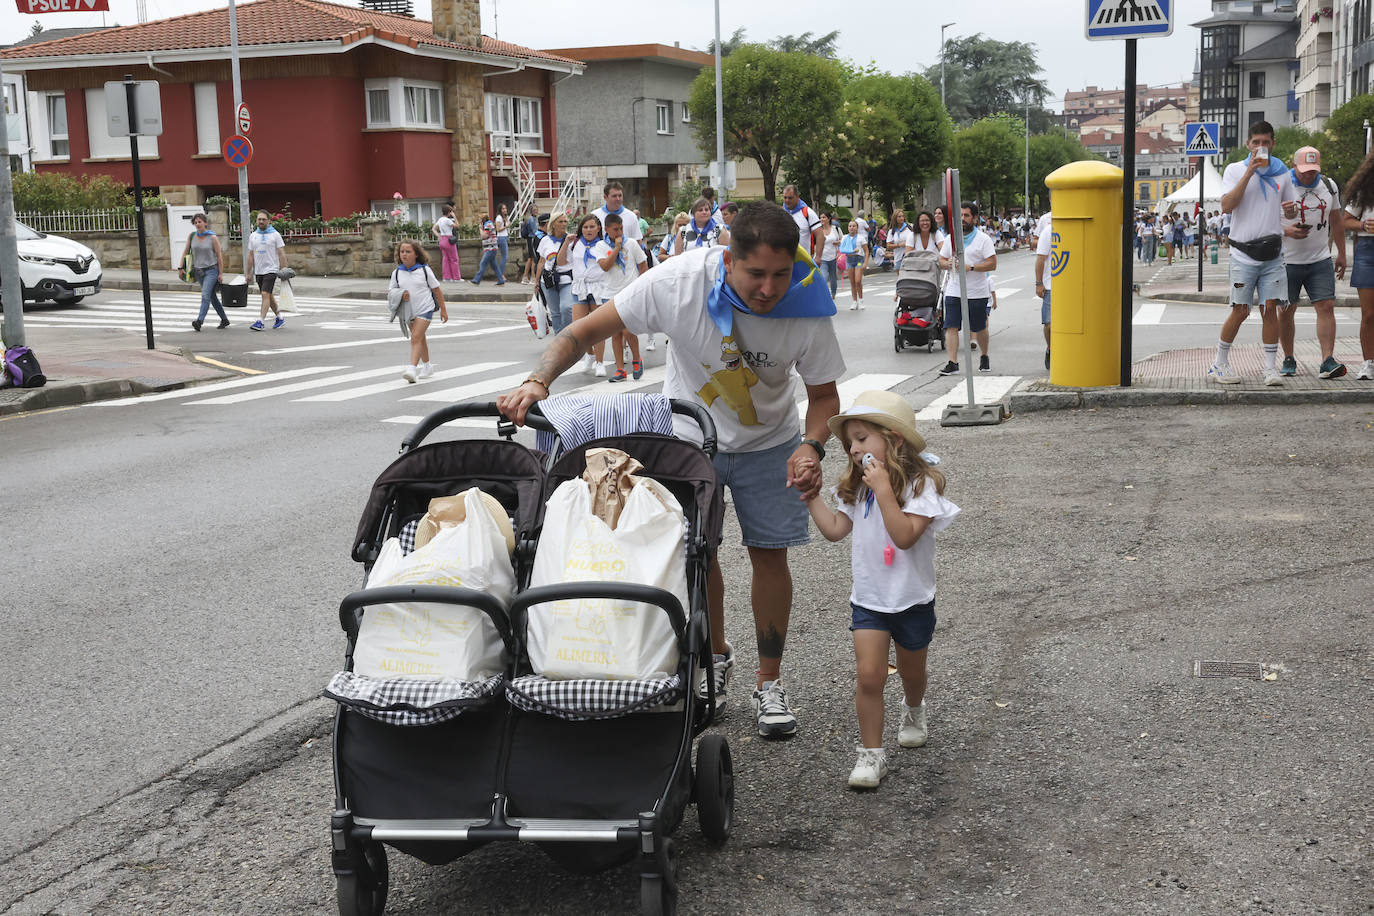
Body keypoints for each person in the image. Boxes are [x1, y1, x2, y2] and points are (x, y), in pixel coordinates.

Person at [497, 202, 845, 738]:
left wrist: (812, 447)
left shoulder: (805, 305)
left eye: (781, 275)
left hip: (770, 442)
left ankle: (769, 684)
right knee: (696, 556)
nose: (770, 289)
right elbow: (581, 333)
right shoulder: (677, 283)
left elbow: (823, 396)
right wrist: (537, 381)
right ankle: (717, 658)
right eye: (756, 274)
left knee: (769, 556)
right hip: (691, 436)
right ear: (729, 259)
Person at [804, 390, 958, 789]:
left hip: (911, 599)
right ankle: (871, 755)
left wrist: (886, 490)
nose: (854, 450)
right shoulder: (856, 487)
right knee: (869, 676)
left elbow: (905, 536)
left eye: (862, 439)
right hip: (869, 601)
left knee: (912, 671)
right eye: (850, 443)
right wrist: (811, 499)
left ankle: (913, 707)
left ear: (894, 440)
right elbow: (836, 531)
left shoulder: (922, 486)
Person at [1208, 120, 1299, 386]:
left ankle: (1270, 368)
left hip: (1273, 253)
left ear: (1273, 144)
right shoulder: (1235, 170)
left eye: (1265, 142)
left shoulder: (1283, 173)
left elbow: (1288, 211)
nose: (1261, 146)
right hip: (1243, 253)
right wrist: (1250, 173)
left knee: (1270, 309)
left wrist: (1292, 211)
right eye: (1256, 142)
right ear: (1248, 144)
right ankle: (1219, 363)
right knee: (1241, 309)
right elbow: (1226, 205)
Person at [1279, 146, 1349, 379]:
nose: (1309, 175)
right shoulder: (1280, 185)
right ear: (1294, 165)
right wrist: (1287, 231)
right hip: (1287, 260)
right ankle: (1288, 357)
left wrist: (1341, 253)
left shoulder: (1328, 186)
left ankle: (1327, 360)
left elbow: (1336, 221)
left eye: (1313, 170)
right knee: (1287, 309)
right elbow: (1264, 221)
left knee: (1326, 306)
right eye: (1304, 171)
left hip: (1320, 258)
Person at [937, 203, 997, 375]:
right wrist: (948, 264)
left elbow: (992, 264)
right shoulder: (951, 239)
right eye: (960, 216)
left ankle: (984, 356)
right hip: (954, 289)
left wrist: (971, 267)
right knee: (951, 326)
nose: (963, 219)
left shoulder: (983, 239)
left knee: (979, 328)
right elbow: (941, 260)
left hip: (977, 291)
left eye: (967, 216)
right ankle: (953, 362)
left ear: (975, 218)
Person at [596, 211, 649, 382]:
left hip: (629, 292)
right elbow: (605, 266)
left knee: (628, 329)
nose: (619, 233)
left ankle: (636, 358)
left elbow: (643, 265)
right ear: (606, 229)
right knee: (615, 333)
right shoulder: (601, 246)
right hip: (609, 293)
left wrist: (642, 287)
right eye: (615, 229)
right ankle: (620, 369)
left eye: (621, 229)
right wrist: (617, 248)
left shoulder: (632, 244)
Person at [388, 240, 448, 382]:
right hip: (409, 312)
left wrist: (443, 310)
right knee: (420, 338)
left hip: (425, 309)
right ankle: (427, 366)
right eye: (402, 251)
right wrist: (400, 294)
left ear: (416, 254)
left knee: (415, 337)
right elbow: (391, 292)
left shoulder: (425, 270)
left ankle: (412, 369)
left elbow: (437, 290)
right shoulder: (397, 273)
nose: (404, 254)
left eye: (408, 252)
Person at [564, 214, 610, 377]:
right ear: (580, 229)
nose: (589, 230)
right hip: (580, 287)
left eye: (592, 227)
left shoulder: (604, 245)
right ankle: (589, 354)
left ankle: (600, 362)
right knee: (579, 329)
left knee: (597, 328)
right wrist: (566, 243)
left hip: (598, 287)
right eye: (585, 227)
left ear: (598, 228)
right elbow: (562, 262)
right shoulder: (575, 244)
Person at [1342, 148, 1374, 380]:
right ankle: (1368, 363)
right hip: (1368, 250)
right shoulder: (1365, 187)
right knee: (1369, 314)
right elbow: (1346, 220)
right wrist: (1364, 226)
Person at [182, 213, 229, 332]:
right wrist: (180, 267)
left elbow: (219, 256)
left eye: (200, 222)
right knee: (212, 297)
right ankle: (224, 319)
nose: (198, 224)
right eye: (196, 222)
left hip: (211, 270)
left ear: (205, 223)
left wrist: (221, 273)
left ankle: (199, 321)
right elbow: (186, 252)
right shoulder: (192, 236)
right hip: (198, 272)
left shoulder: (212, 237)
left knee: (205, 295)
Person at [245, 210, 286, 331]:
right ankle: (279, 317)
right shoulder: (253, 236)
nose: (261, 221)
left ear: (268, 221)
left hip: (271, 269)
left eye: (263, 219)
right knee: (268, 295)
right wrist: (248, 273)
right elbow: (251, 256)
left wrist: (284, 269)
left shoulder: (275, 235)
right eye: (259, 219)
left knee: (264, 294)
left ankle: (261, 321)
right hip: (259, 271)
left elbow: (281, 253)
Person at [537, 213, 574, 333]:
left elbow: (568, 262)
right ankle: (559, 339)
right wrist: (536, 281)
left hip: (567, 280)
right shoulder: (545, 240)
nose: (564, 224)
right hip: (548, 281)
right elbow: (541, 262)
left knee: (566, 307)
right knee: (555, 313)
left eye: (565, 221)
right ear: (553, 225)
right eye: (560, 222)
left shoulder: (571, 240)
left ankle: (568, 335)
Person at [1034, 213, 1055, 371]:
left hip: (1072, 286)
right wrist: (1039, 283)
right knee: (1049, 324)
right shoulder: (1048, 230)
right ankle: (1050, 349)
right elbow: (1041, 259)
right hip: (1050, 285)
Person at [592, 180, 642, 245]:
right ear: (605, 197)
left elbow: (637, 241)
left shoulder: (631, 216)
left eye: (620, 195)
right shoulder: (595, 216)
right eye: (614, 196)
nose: (618, 199)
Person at [781, 183, 823, 255]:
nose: (787, 200)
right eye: (785, 197)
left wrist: (818, 257)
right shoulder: (780, 213)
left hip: (803, 260)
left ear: (797, 196)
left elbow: (820, 235)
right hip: (783, 259)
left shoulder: (808, 212)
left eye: (790, 198)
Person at [839, 218, 866, 310]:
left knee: (858, 281)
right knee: (852, 282)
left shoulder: (861, 237)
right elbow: (842, 250)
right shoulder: (844, 238)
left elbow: (866, 250)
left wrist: (865, 262)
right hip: (849, 260)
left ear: (857, 228)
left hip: (859, 260)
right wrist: (851, 251)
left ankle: (861, 300)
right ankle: (854, 301)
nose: (852, 228)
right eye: (850, 226)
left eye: (854, 226)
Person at [431, 204, 462, 282]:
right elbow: (457, 226)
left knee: (445, 259)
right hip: (449, 240)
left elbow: (433, 229)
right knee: (454, 259)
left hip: (442, 240)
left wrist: (439, 235)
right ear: (449, 212)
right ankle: (456, 278)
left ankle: (446, 277)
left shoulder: (440, 219)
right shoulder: (448, 220)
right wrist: (454, 216)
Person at [470, 219, 504, 285]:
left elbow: (484, 236)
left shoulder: (488, 225)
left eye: (479, 220)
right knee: (494, 266)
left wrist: (480, 228)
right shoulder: (487, 225)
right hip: (491, 248)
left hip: (490, 248)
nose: (479, 222)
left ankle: (476, 280)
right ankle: (501, 280)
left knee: (483, 263)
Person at [818, 212, 842, 299]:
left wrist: (838, 242)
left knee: (833, 278)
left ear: (829, 219)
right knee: (823, 277)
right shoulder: (818, 230)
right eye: (820, 218)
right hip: (822, 258)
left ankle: (833, 293)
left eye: (823, 217)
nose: (821, 219)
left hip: (834, 257)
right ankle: (825, 295)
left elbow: (842, 240)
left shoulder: (835, 229)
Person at [520, 206, 541, 285]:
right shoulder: (532, 219)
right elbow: (534, 231)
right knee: (533, 258)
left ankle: (525, 277)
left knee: (530, 258)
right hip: (532, 239)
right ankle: (533, 277)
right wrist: (542, 236)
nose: (536, 211)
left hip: (530, 239)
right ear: (531, 211)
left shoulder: (530, 218)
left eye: (537, 209)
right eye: (534, 210)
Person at [494, 203, 511, 278]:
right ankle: (500, 274)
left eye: (505, 208)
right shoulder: (499, 218)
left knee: (505, 256)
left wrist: (507, 220)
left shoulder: (505, 217)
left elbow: (508, 224)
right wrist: (506, 226)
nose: (505, 210)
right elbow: (498, 229)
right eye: (503, 209)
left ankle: (500, 274)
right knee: (505, 257)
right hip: (501, 238)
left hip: (505, 237)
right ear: (500, 210)